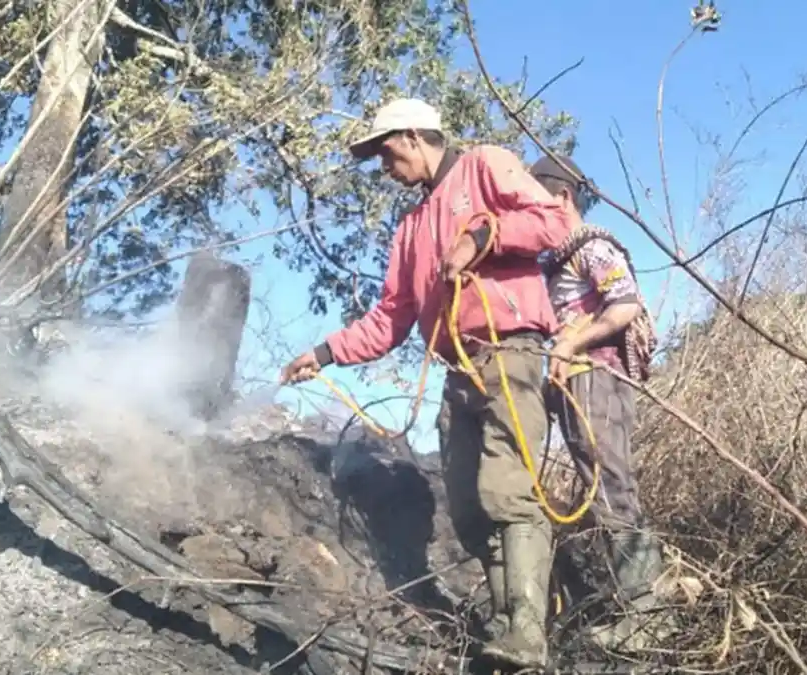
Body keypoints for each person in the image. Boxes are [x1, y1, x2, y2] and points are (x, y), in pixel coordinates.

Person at [280, 98, 570, 668]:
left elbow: (555, 221)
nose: (385, 170)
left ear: (414, 137)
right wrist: (323, 352)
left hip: (509, 353)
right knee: (466, 507)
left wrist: (483, 234)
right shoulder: (411, 227)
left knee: (506, 492)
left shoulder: (485, 165)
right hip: (459, 371)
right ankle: (507, 620)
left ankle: (529, 634)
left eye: (386, 155)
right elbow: (390, 318)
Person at [528, 154, 675, 652]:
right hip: (579, 384)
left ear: (562, 198)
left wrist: (570, 345)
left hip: (598, 378)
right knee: (600, 485)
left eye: (537, 200)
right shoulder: (557, 259)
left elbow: (626, 302)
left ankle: (648, 612)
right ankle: (634, 601)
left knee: (611, 487)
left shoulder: (591, 247)